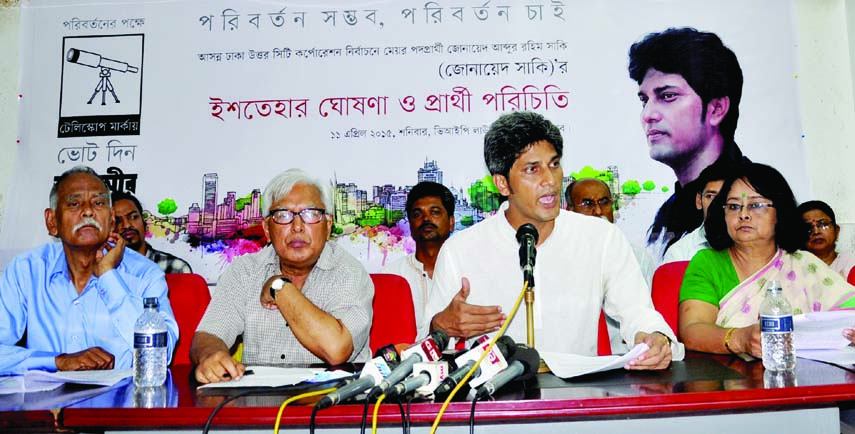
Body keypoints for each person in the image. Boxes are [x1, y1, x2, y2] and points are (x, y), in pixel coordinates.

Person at [423, 111, 682, 369]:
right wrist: (441, 326)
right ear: (502, 184)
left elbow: (637, 312)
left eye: (554, 164)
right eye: (532, 169)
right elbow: (426, 342)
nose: (550, 181)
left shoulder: (601, 238)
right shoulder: (461, 250)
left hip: (578, 396)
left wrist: (655, 337)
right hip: (494, 399)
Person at [190, 168, 373, 384]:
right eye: (283, 216)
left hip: (331, 406)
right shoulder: (244, 271)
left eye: (311, 214)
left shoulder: (350, 273)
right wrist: (211, 356)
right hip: (259, 405)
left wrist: (280, 288)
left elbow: (336, 349)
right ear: (267, 228)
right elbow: (208, 335)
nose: (297, 227)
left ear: (328, 224)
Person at [0, 166, 178, 375]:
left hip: (120, 403)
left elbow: (161, 353)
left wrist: (108, 275)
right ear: (52, 222)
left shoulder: (144, 274)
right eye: (74, 203)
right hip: (47, 404)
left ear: (111, 220)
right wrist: (57, 361)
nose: (87, 211)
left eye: (98, 203)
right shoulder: (26, 271)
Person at [678, 163, 855, 358]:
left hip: (804, 373)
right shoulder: (707, 262)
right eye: (734, 206)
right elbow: (692, 329)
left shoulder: (804, 263)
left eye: (756, 205)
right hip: (728, 377)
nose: (743, 214)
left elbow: (849, 311)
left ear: (780, 213)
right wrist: (740, 339)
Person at [628, 27, 748, 253]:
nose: (648, 115)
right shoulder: (667, 212)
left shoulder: (750, 197)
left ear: (716, 108)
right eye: (644, 100)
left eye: (667, 96)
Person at [564, 178, 657, 353]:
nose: (598, 211)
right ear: (569, 210)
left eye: (604, 202)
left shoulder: (639, 257)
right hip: (575, 360)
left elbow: (646, 316)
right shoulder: (560, 258)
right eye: (587, 203)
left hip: (626, 358)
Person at [382, 181, 455, 329]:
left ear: (451, 222)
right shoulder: (391, 276)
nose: (426, 219)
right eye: (417, 214)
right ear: (410, 224)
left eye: (435, 212)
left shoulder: (467, 271)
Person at [112, 191, 193, 274]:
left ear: (144, 221)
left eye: (133, 217)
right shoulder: (106, 270)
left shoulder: (175, 268)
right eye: (117, 221)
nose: (126, 225)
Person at [662, 163, 728, 264]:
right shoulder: (679, 253)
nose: (717, 203)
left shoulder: (752, 245)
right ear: (699, 200)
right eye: (711, 196)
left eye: (726, 196)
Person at [797, 200, 855, 279]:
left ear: (836, 231)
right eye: (808, 227)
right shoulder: (793, 269)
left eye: (823, 224)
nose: (816, 232)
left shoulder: (850, 264)